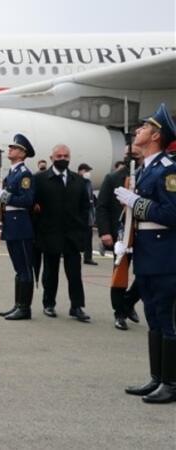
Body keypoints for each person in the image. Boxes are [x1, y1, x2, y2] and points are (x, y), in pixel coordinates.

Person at [115, 103, 176, 404]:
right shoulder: (145, 168)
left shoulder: (169, 169)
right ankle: (157, 378)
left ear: (155, 136)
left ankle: (171, 383)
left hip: (165, 254)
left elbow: (172, 213)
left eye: (145, 127)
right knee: (153, 316)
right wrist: (122, 239)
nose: (138, 130)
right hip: (146, 252)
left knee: (166, 317)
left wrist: (136, 203)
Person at [32, 145, 91, 322]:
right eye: (59, 156)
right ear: (51, 158)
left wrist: (81, 227)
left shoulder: (78, 180)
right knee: (50, 272)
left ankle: (77, 306)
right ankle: (49, 304)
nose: (62, 159)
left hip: (72, 235)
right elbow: (33, 206)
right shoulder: (40, 179)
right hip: (49, 234)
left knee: (74, 273)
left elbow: (84, 207)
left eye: (66, 156)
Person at [0, 134, 36, 320]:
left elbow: (27, 200)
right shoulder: (12, 173)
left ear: (22, 153)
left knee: (24, 268)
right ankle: (18, 305)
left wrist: (4, 196)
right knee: (18, 269)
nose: (10, 149)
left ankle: (25, 308)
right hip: (11, 223)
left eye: (14, 147)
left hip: (21, 225)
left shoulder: (24, 173)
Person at [96, 152, 141, 330]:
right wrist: (105, 232)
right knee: (120, 274)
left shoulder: (148, 175)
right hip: (122, 234)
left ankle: (128, 301)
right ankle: (119, 313)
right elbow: (102, 206)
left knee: (146, 275)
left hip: (145, 234)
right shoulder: (113, 178)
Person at [77, 163, 98, 265]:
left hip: (88, 214)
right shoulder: (76, 181)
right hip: (79, 213)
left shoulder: (88, 182)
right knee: (77, 235)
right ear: (80, 171)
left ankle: (88, 257)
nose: (88, 173)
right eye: (86, 171)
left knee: (88, 236)